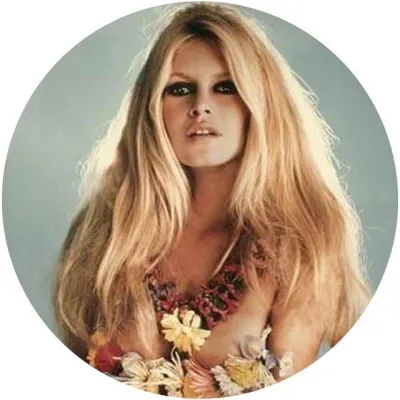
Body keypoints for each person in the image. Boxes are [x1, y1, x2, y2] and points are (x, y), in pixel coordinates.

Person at [53, 2, 371, 397]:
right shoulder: (105, 230)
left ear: (260, 103)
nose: (200, 106)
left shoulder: (303, 240)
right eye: (180, 89)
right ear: (152, 108)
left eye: (225, 87)